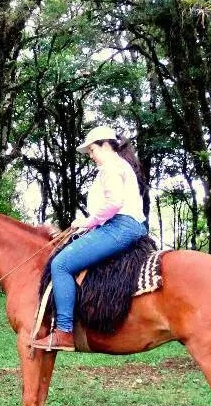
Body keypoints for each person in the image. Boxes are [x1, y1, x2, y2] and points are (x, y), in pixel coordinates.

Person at [32, 125, 148, 351]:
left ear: (106, 145)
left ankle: (64, 332)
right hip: (126, 225)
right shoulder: (120, 166)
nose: (91, 156)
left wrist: (87, 222)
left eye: (92, 150)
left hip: (119, 226)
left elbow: (113, 203)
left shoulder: (111, 167)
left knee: (61, 264)